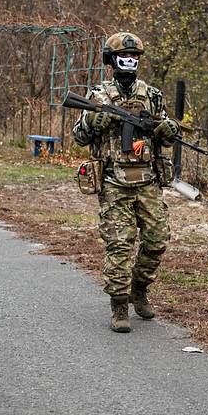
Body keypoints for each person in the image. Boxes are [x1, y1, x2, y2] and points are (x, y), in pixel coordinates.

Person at [71, 31, 180, 332]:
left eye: (135, 57)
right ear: (112, 60)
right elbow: (79, 137)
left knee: (157, 239)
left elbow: (166, 132)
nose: (130, 61)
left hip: (147, 181)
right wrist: (93, 122)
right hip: (113, 181)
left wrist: (167, 129)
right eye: (124, 56)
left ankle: (139, 290)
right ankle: (119, 305)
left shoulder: (152, 95)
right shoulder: (98, 96)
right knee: (119, 244)